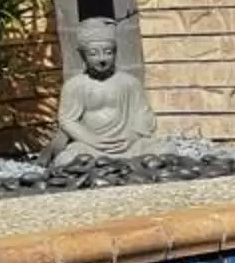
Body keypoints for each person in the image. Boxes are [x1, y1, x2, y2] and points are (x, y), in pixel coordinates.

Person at [51, 17, 158, 168]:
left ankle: (117, 163)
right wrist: (92, 139)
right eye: (93, 54)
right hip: (92, 146)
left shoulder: (129, 83)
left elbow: (144, 115)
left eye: (108, 52)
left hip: (127, 144)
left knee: (165, 148)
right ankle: (126, 165)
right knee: (67, 159)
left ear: (115, 53)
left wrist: (132, 136)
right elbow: (67, 120)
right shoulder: (75, 85)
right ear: (82, 55)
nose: (102, 59)